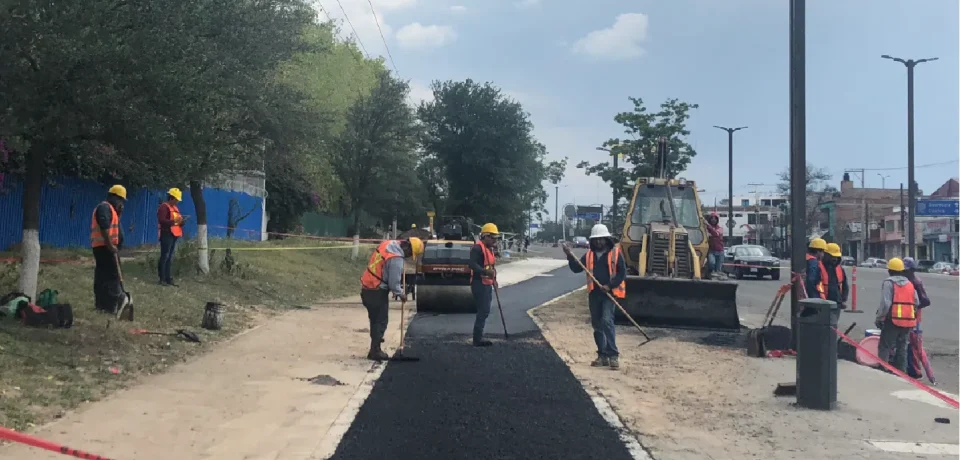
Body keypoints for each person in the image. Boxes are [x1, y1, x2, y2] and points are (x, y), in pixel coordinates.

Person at [562, 224, 627, 370]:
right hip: (594, 294)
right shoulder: (589, 255)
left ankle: (613, 355)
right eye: (596, 240)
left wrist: (609, 286)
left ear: (607, 239)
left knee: (607, 321)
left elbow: (622, 273)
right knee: (597, 324)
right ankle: (602, 355)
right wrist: (569, 255)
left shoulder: (615, 253)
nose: (598, 243)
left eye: (601, 240)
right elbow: (576, 268)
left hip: (609, 294)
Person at [359, 236, 424, 360]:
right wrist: (401, 294)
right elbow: (393, 283)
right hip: (377, 290)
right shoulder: (396, 258)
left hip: (367, 287)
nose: (409, 256)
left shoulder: (387, 244)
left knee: (375, 320)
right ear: (408, 248)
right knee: (381, 320)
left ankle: (374, 346)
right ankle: (375, 351)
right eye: (410, 253)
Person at [875, 258, 920, 373]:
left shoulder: (889, 283)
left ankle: (883, 370)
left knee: (885, 346)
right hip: (908, 322)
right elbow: (916, 302)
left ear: (889, 270)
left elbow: (885, 304)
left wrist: (879, 318)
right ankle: (901, 373)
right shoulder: (910, 284)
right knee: (902, 348)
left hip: (893, 320)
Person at [91, 185, 127, 314]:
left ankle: (102, 306)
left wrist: (119, 214)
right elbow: (104, 226)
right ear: (115, 197)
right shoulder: (104, 207)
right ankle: (110, 306)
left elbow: (114, 227)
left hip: (105, 248)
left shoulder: (112, 210)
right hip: (105, 248)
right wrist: (110, 245)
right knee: (112, 277)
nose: (121, 203)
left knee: (102, 277)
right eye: (121, 200)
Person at [468, 223, 499, 347]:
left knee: (485, 311)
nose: (494, 240)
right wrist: (485, 272)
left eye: (495, 238)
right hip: (478, 283)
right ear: (485, 236)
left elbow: (491, 266)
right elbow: (472, 264)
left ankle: (478, 337)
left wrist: (494, 280)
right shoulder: (477, 248)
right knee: (483, 310)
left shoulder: (489, 249)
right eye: (492, 237)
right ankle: (477, 339)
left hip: (487, 283)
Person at [902, 257, 932, 379]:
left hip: (914, 318)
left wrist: (913, 306)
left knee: (914, 346)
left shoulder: (915, 282)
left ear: (911, 270)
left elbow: (925, 301)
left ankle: (916, 372)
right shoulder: (907, 281)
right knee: (909, 345)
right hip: (907, 316)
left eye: (905, 270)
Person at [157, 188, 185, 286]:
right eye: (176, 199)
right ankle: (162, 279)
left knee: (170, 257)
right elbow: (162, 220)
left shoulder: (175, 208)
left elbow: (177, 221)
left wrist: (182, 222)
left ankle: (168, 278)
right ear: (171, 198)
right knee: (165, 256)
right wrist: (175, 222)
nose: (177, 202)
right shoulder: (164, 207)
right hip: (166, 234)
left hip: (174, 235)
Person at [823, 243, 849, 309]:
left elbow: (845, 285)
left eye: (837, 257)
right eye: (832, 256)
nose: (835, 259)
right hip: (823, 303)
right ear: (826, 255)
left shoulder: (839, 269)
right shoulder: (820, 267)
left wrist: (843, 300)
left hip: (836, 304)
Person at [704, 212, 725, 278]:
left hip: (720, 251)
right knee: (711, 263)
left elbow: (716, 233)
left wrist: (708, 225)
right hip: (711, 250)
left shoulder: (720, 228)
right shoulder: (706, 229)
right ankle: (709, 273)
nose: (713, 220)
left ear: (717, 220)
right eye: (712, 218)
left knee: (718, 269)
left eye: (715, 218)